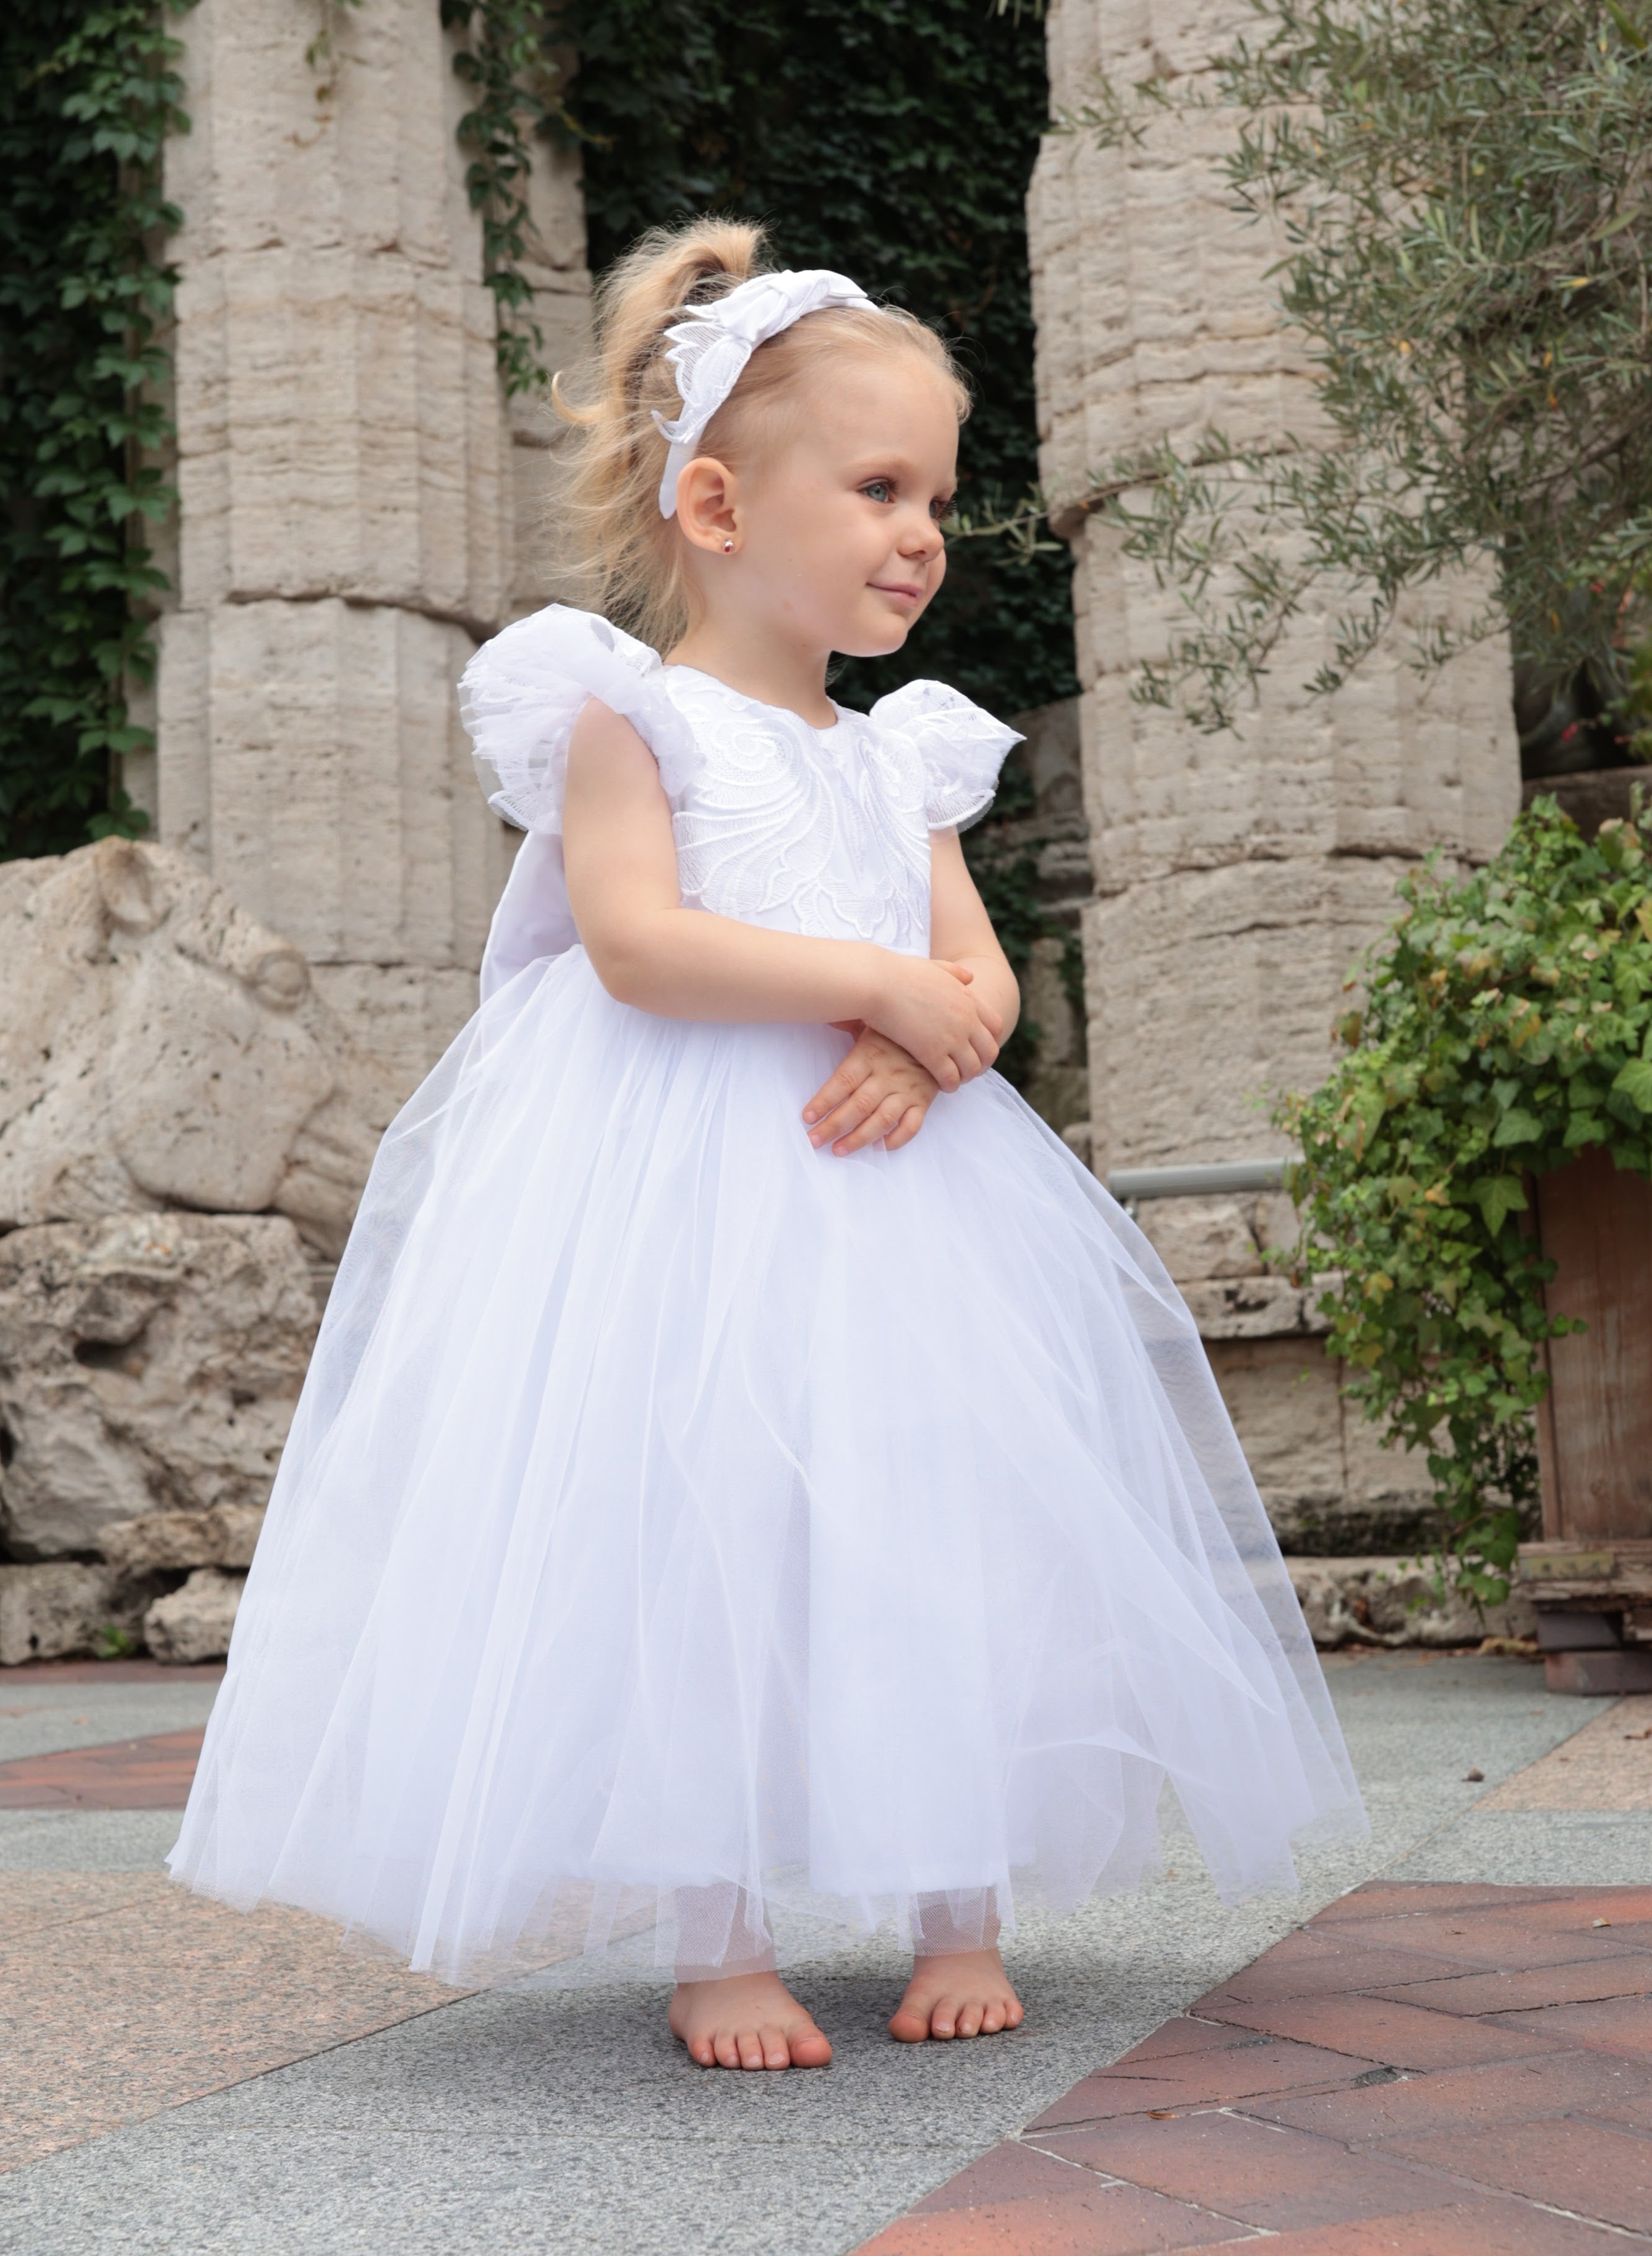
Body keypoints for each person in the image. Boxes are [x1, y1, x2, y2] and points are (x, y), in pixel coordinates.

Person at [169, 219, 1365, 2074]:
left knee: (942, 1521)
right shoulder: (627, 720)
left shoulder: (905, 755)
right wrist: (875, 988)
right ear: (718, 506)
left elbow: (978, 982)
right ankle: (716, 1932)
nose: (922, 531)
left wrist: (937, 1034)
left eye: (939, 497)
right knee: (704, 1531)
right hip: (683, 1190)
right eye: (880, 487)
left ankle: (957, 1903)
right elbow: (640, 947)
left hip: (905, 1212)